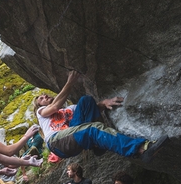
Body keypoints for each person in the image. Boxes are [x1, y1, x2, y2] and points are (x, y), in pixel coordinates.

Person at [33, 70, 169, 163]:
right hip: (58, 142)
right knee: (93, 129)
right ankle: (140, 149)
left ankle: (97, 145)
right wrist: (70, 81)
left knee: (86, 101)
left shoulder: (69, 109)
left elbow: (91, 109)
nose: (44, 96)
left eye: (45, 95)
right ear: (39, 106)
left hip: (74, 134)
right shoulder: (42, 113)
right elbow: (55, 107)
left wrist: (104, 103)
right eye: (41, 99)